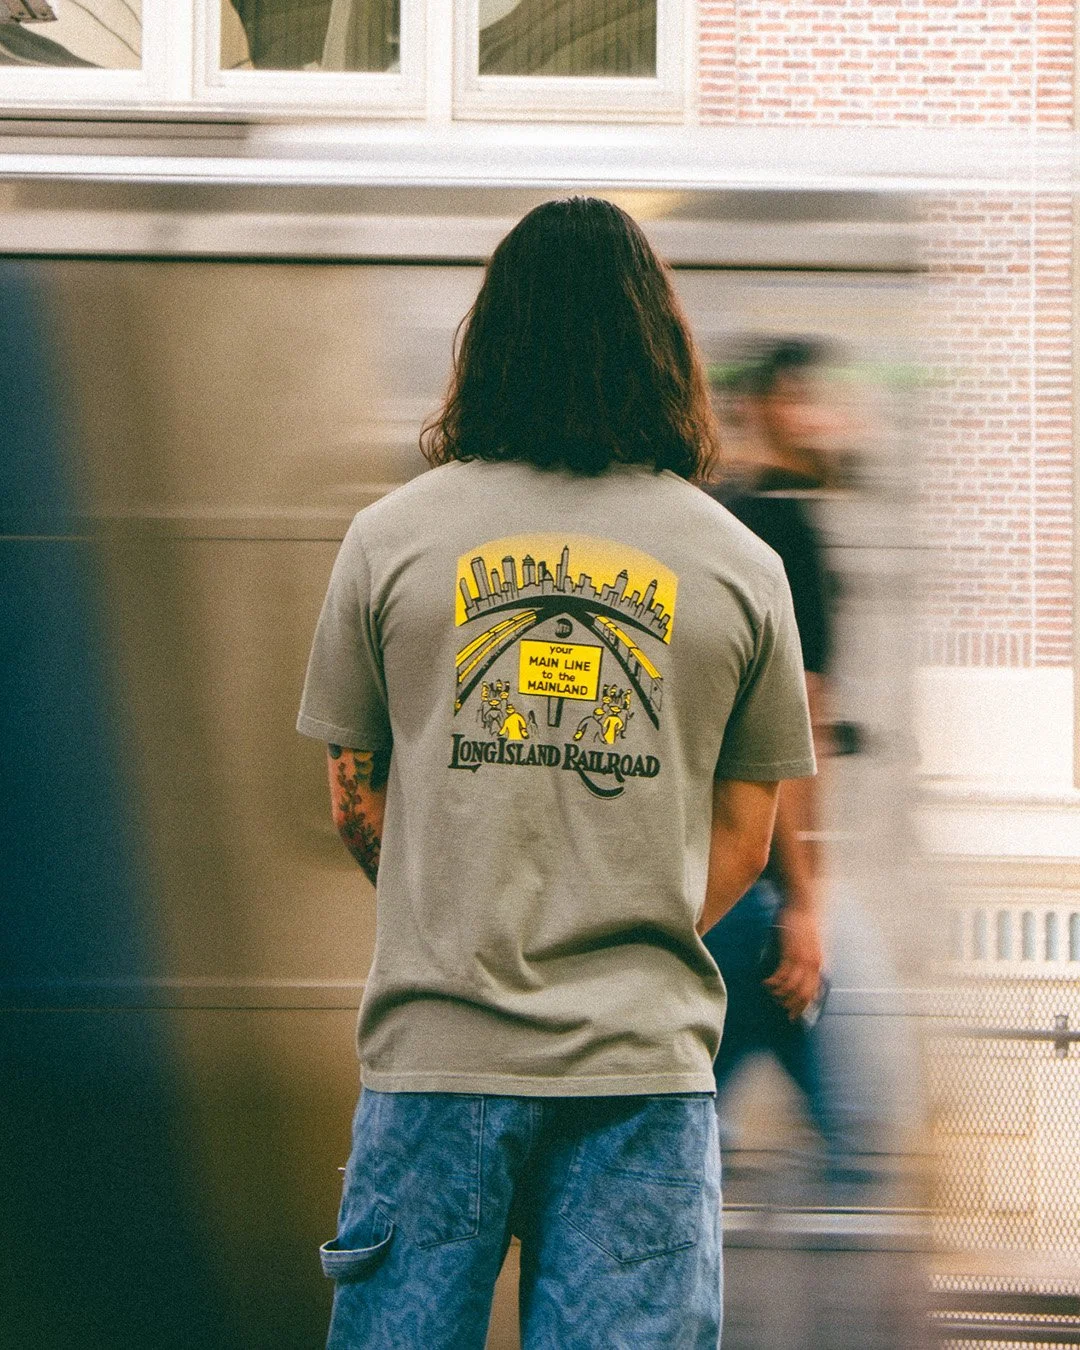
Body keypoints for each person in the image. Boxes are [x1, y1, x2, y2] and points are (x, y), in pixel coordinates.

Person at [296, 198, 816, 1350]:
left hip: (434, 1066)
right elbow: (746, 839)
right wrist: (615, 919)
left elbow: (354, 796)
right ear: (661, 347)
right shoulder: (744, 567)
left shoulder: (388, 540)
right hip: (641, 1075)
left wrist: (459, 907)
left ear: (491, 338)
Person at [702, 338, 864, 1193]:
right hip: (759, 884)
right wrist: (805, 901)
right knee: (862, 1129)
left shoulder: (724, 515)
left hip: (728, 874)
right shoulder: (785, 528)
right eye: (809, 397)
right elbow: (792, 729)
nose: (833, 417)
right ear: (766, 408)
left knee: (699, 1104)